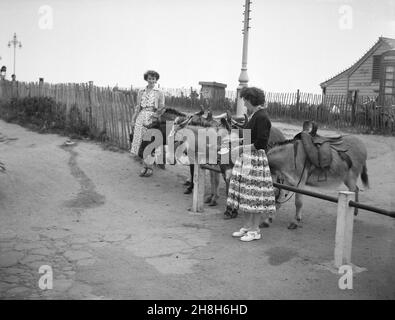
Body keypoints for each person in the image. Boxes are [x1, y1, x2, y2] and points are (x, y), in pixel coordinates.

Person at [226, 87, 276, 242]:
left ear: (250, 100)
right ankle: (247, 226)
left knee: (254, 196)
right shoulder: (254, 115)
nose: (244, 103)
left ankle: (255, 230)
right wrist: (237, 141)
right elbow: (250, 137)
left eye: (245, 100)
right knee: (246, 195)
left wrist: (241, 147)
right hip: (247, 158)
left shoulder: (262, 117)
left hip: (255, 160)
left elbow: (261, 143)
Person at [130, 70, 165, 177]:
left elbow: (162, 107)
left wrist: (154, 117)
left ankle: (150, 167)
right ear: (146, 79)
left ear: (156, 80)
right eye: (149, 78)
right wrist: (133, 119)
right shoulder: (141, 91)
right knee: (142, 143)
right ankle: (144, 166)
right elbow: (137, 107)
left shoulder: (159, 92)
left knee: (150, 143)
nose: (151, 81)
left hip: (152, 119)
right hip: (141, 117)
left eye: (153, 79)